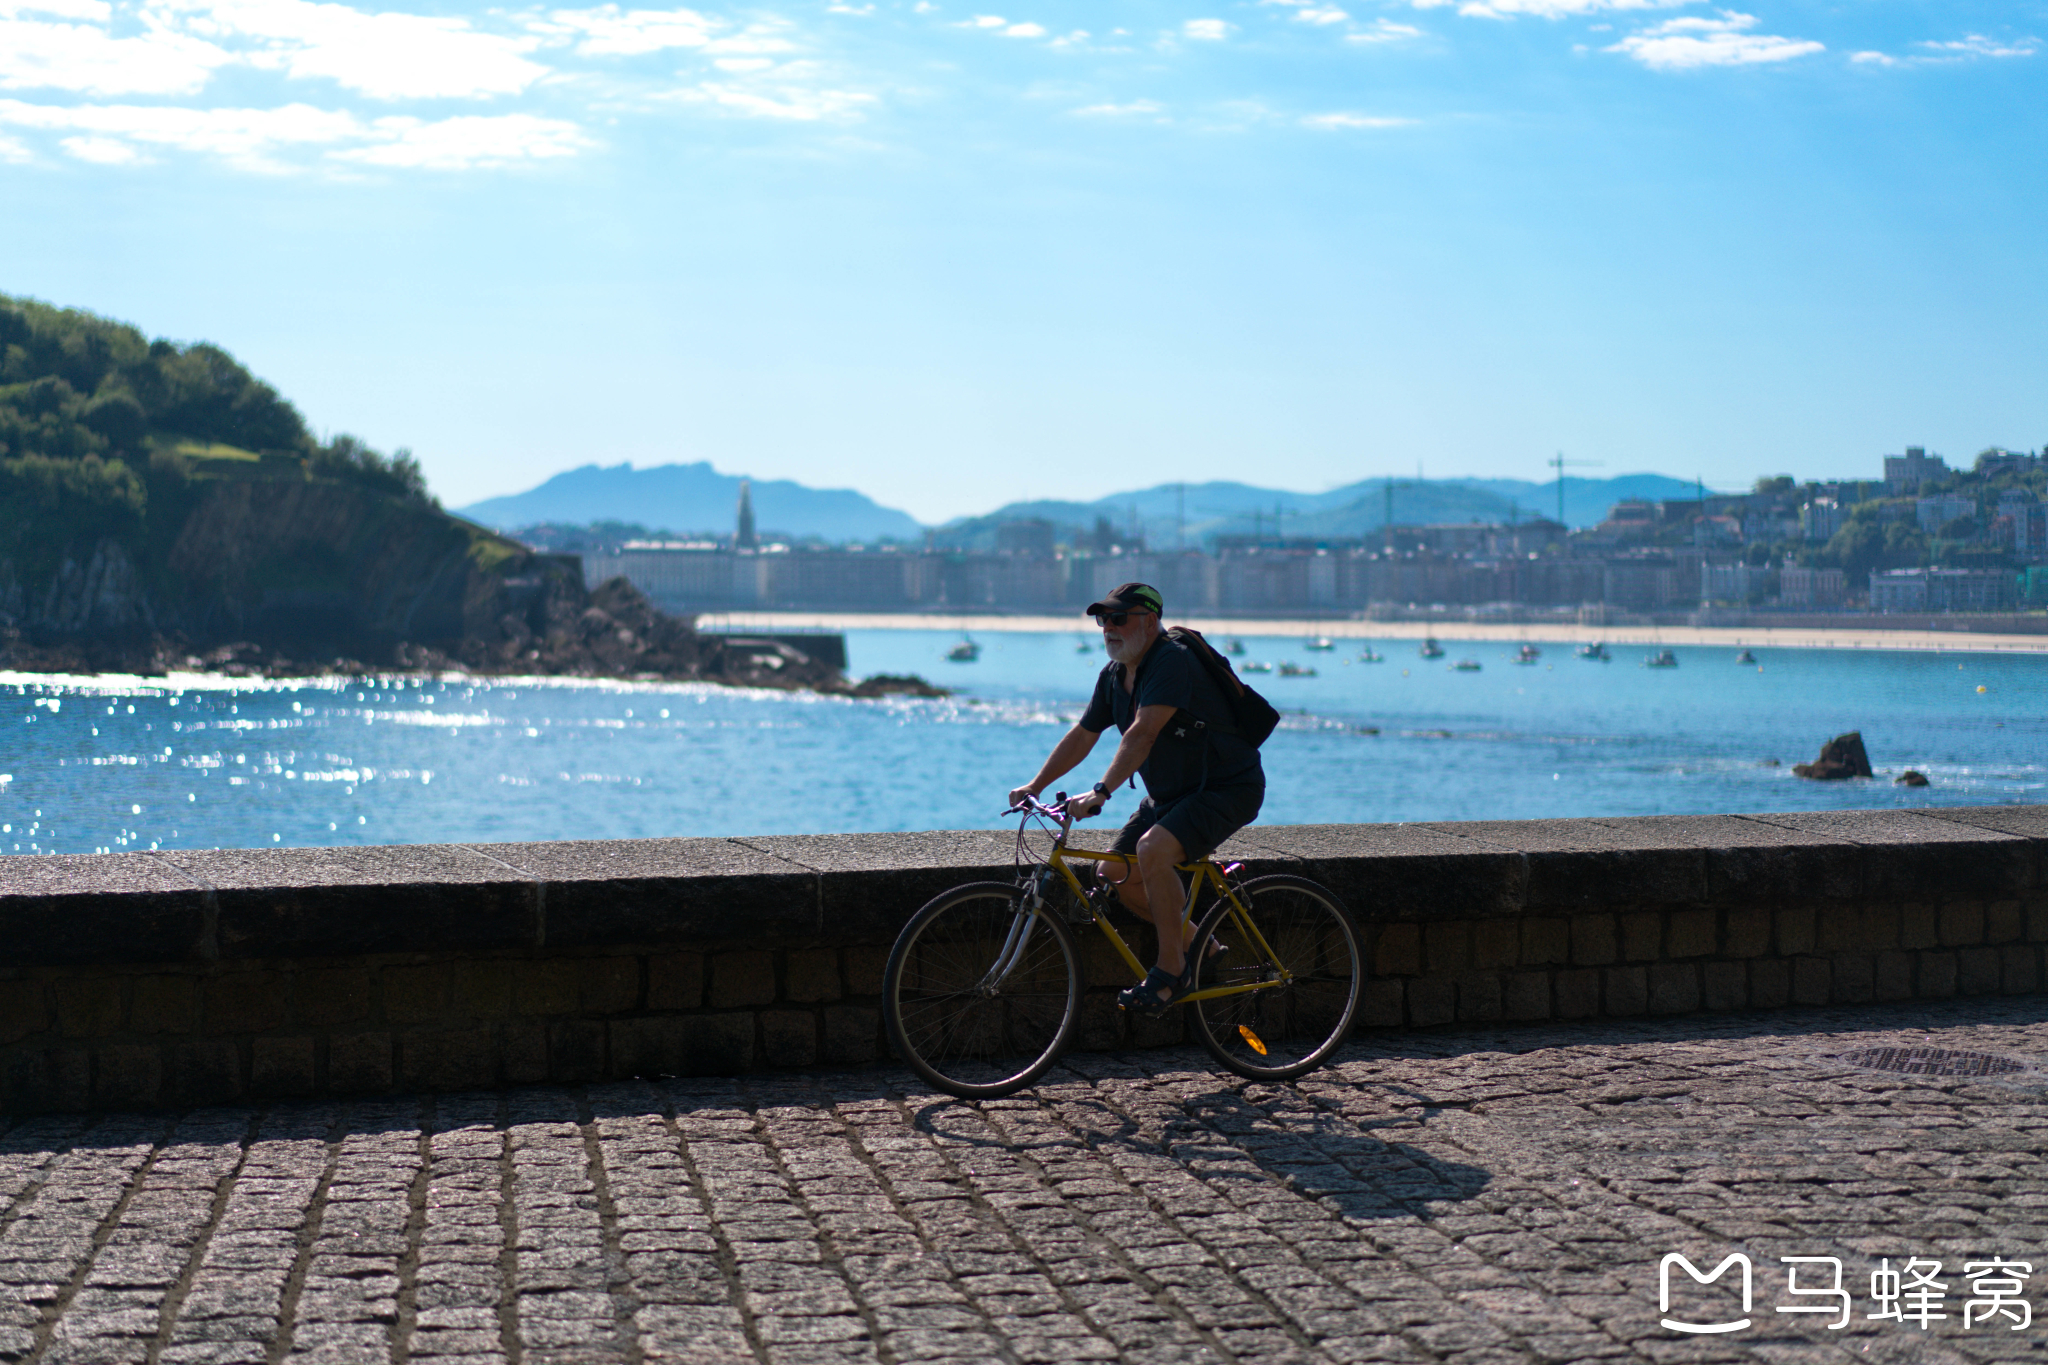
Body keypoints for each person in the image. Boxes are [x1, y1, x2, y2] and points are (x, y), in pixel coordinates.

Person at [1007, 582, 1265, 1016]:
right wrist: (1035, 785)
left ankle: (1171, 971)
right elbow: (1083, 735)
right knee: (1113, 873)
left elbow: (1143, 733)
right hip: (1170, 795)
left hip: (1225, 788)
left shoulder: (1171, 662)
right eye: (1102, 619)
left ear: (1150, 621)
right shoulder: (1114, 676)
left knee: (1152, 851)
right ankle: (1207, 950)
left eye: (1118, 618)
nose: (1108, 627)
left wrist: (1102, 792)